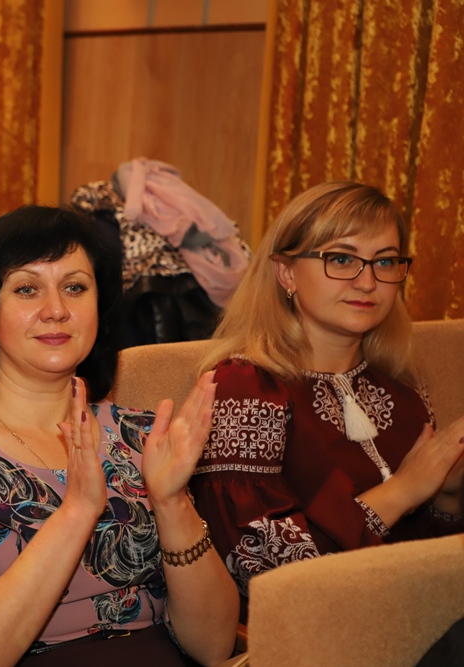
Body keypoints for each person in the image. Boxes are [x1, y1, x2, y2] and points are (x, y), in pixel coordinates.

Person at [0, 206, 239, 666]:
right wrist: (76, 512)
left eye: (75, 287)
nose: (56, 310)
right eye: (26, 289)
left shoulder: (144, 437)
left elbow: (213, 646)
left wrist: (172, 504)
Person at [189, 181, 464, 621]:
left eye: (385, 261)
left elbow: (427, 558)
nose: (368, 281)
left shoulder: (402, 387)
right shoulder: (247, 387)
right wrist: (403, 490)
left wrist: (447, 496)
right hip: (314, 631)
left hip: (415, 616)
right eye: (341, 259)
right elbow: (263, 568)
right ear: (286, 273)